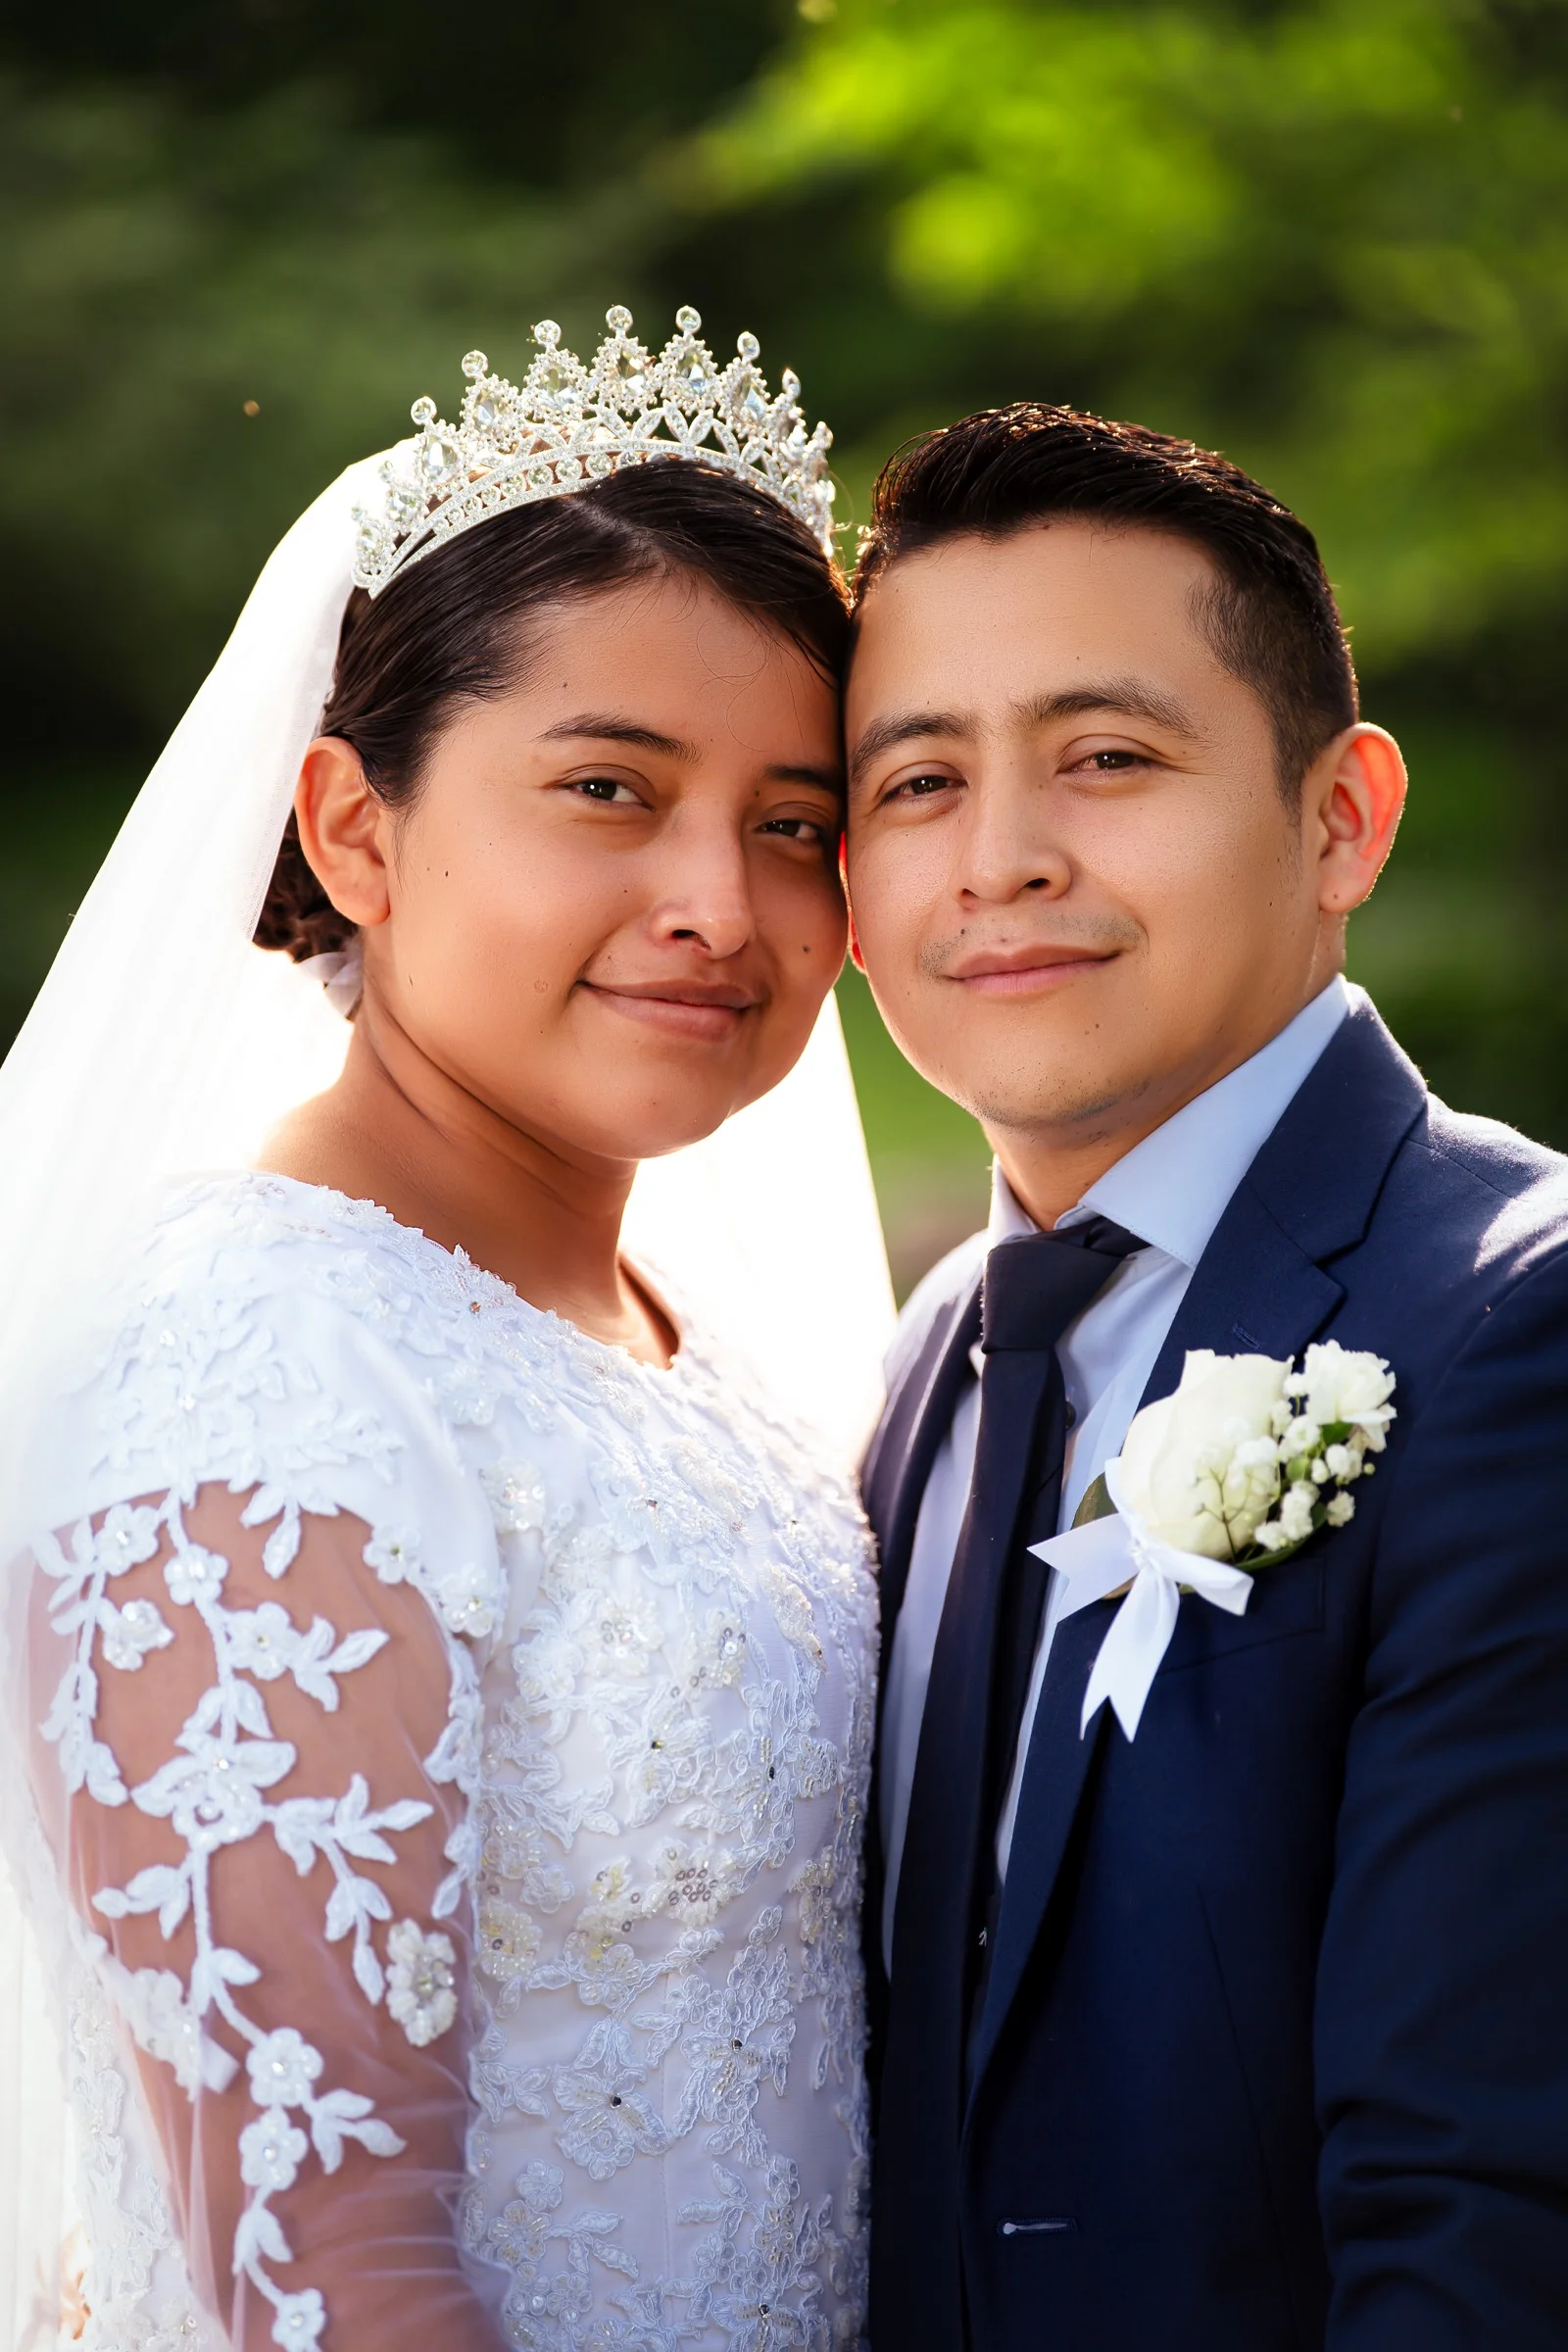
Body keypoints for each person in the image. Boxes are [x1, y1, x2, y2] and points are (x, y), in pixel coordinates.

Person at [0, 310, 892, 2351]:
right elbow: (328, 2271)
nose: (720, 902)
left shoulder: (679, 1341)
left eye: (791, 820)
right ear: (355, 829)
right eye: (609, 789)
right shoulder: (258, 1377)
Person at [846, 404, 1568, 2348]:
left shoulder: (1517, 1322)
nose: (999, 859)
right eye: (917, 782)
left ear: (1340, 818)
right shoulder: (934, 1361)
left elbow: (1489, 2209)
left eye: (1105, 757)